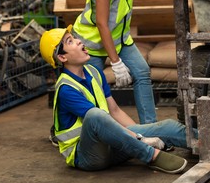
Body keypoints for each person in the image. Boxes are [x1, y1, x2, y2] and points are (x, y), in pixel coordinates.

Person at [72, 0, 210, 125]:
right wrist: (115, 62)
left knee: (142, 73)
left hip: (120, 39)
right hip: (92, 44)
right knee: (91, 90)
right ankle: (79, 130)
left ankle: (151, 128)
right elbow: (102, 24)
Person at [39, 25, 197, 174]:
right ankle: (152, 156)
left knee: (167, 127)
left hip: (111, 146)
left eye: (74, 37)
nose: (79, 41)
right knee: (96, 115)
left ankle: (208, 143)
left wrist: (140, 135)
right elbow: (98, 120)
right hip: (89, 156)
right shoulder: (66, 88)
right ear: (61, 57)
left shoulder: (94, 72)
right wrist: (141, 140)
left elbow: (114, 111)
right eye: (70, 41)